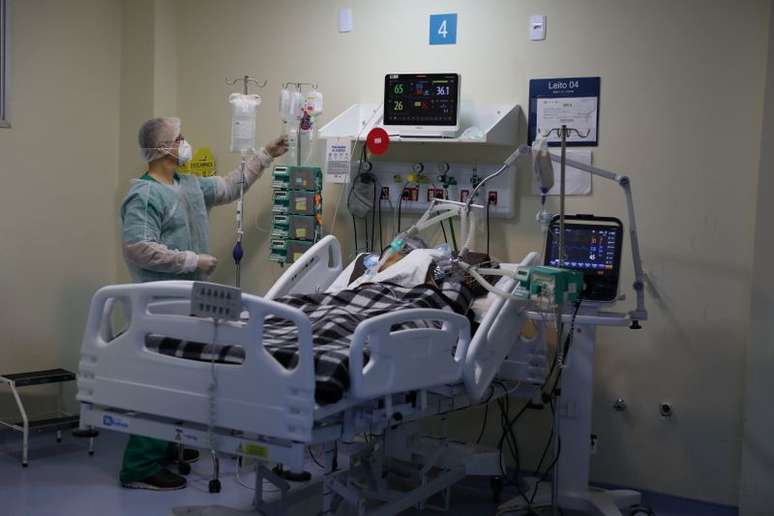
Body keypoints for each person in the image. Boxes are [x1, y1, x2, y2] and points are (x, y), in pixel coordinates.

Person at [118, 117, 288, 490]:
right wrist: (191, 261)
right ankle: (139, 468)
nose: (185, 143)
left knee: (180, 380)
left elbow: (230, 186)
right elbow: (138, 248)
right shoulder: (144, 195)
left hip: (186, 302)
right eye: (179, 138)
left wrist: (266, 154)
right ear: (162, 149)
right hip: (158, 305)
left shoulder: (187, 185)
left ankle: (166, 449)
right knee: (160, 386)